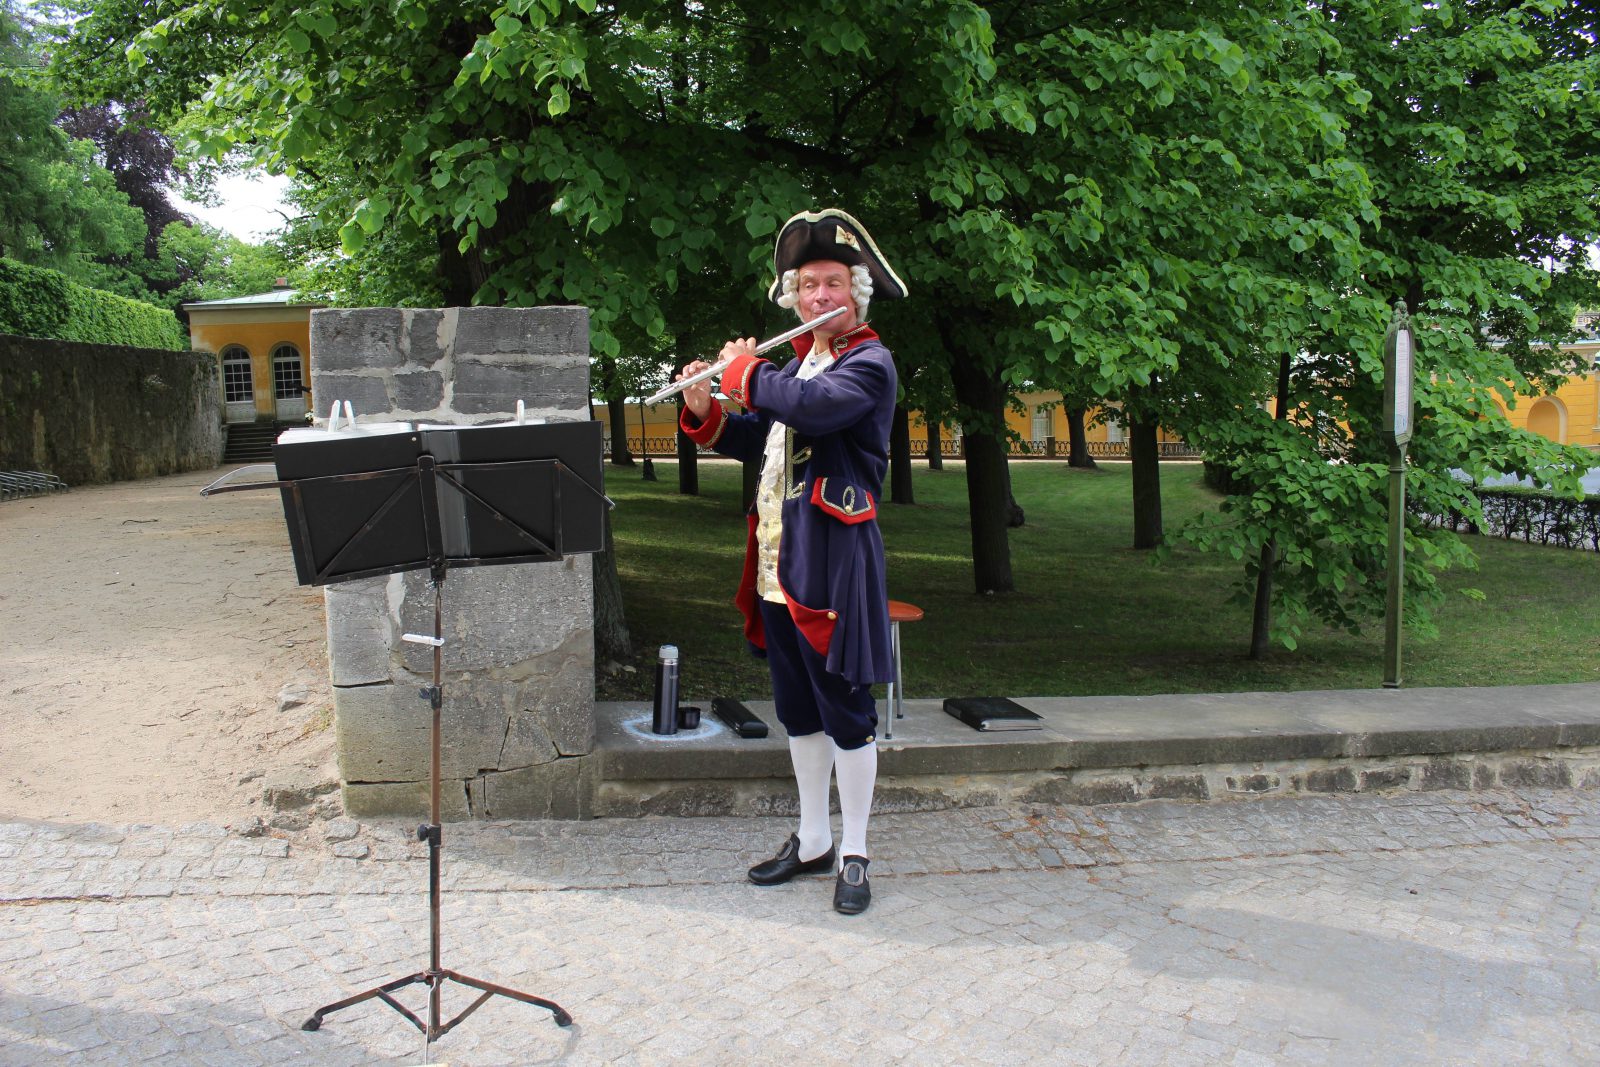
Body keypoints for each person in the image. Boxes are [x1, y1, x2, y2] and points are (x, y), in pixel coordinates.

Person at [675, 208, 907, 915]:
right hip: (780, 563)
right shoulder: (799, 365)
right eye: (808, 285)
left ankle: (858, 848)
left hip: (834, 562)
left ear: (856, 292)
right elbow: (763, 437)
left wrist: (748, 372)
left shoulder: (868, 361)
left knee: (847, 713)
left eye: (833, 283)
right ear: (794, 296)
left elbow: (812, 409)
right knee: (798, 711)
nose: (819, 296)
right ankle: (812, 839)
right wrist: (706, 404)